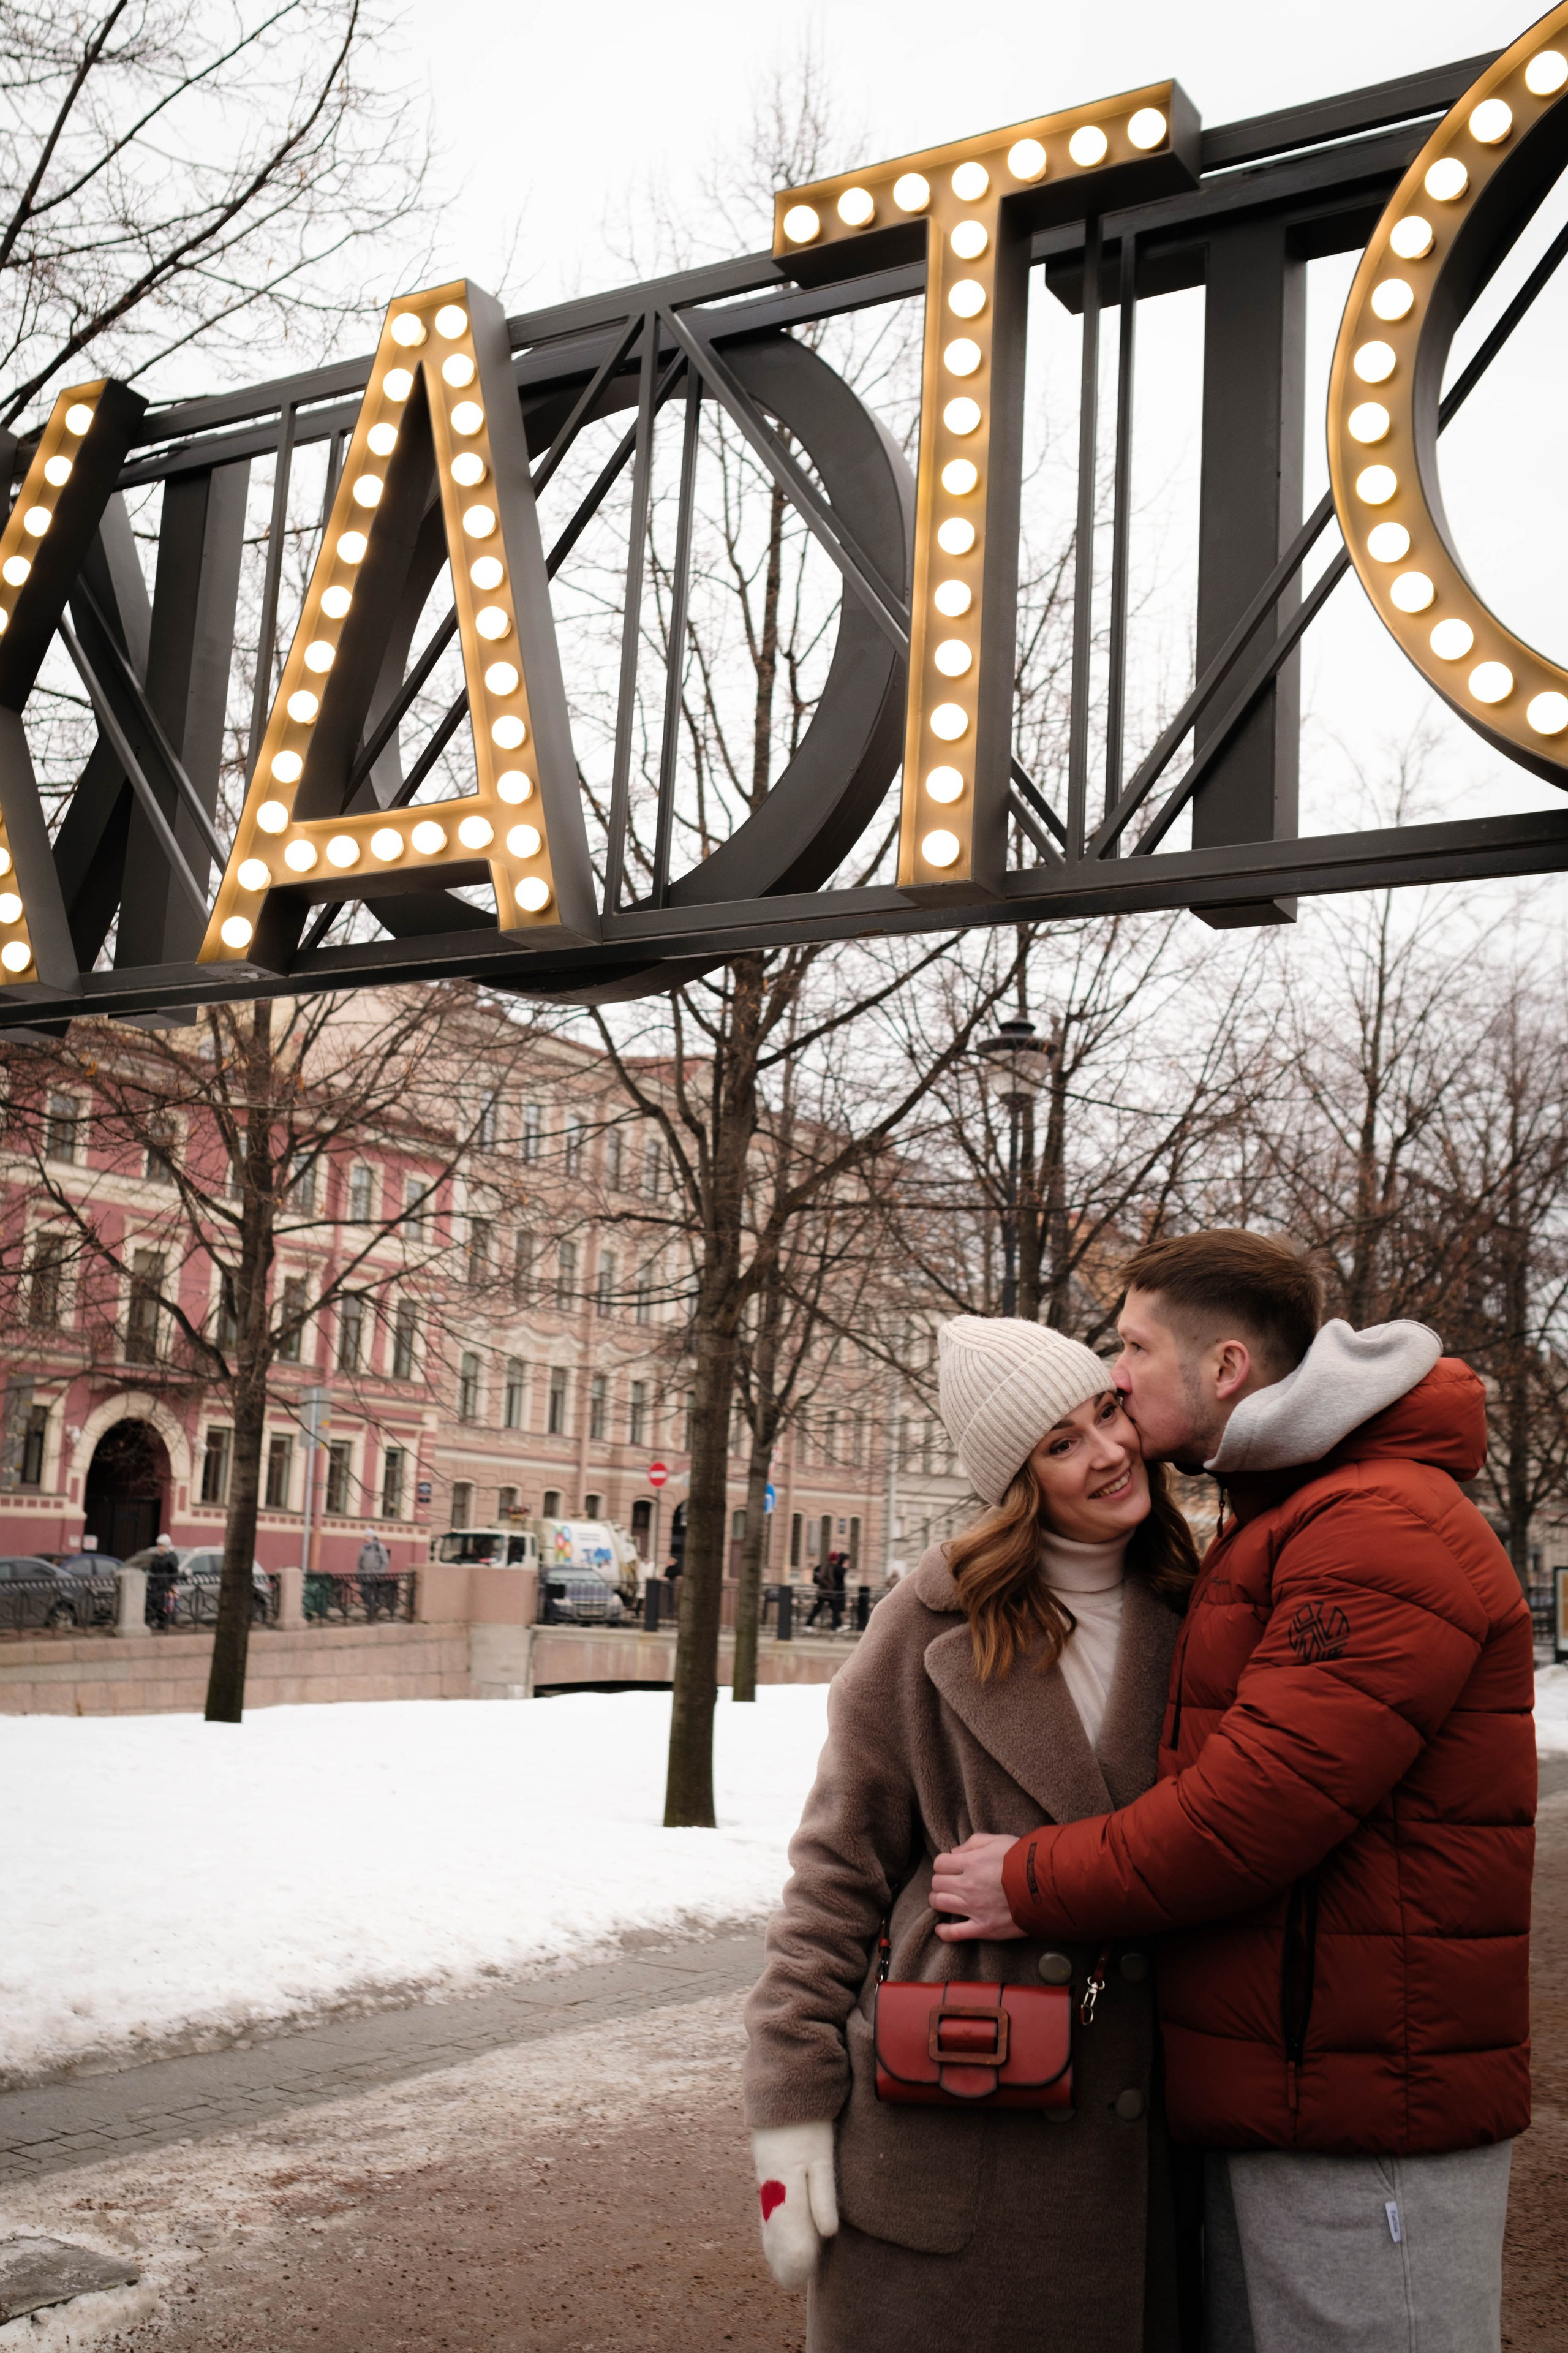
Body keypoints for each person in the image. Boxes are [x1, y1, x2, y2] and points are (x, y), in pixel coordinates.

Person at [929, 1231, 1535, 2353]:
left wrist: (1034, 1881)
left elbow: (1248, 1812)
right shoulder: (1300, 1513)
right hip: (1305, 2080)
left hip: (1361, 2107)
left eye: (1134, 1345)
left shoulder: (1374, 1527)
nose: (1114, 1374)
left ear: (1224, 1371)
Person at [744, 1318, 1201, 2352]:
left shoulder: (1199, 1609)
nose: (1109, 1451)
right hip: (949, 2108)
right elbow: (835, 1874)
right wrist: (788, 2103)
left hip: (1138, 2126)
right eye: (1062, 1443)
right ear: (1020, 1478)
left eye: (1109, 1412)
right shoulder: (929, 1623)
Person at [144, 1532, 178, 1631]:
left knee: (163, 1604)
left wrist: (172, 1584)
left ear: (166, 1545)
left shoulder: (172, 1557)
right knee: (152, 1602)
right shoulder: (157, 1556)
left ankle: (163, 1623)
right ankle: (151, 1621)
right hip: (155, 1584)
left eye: (161, 1545)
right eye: (158, 1545)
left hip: (165, 1585)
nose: (159, 1547)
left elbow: (174, 1571)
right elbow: (152, 1568)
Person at [356, 1530, 393, 1619]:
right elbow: (360, 1562)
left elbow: (385, 1562)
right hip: (365, 1575)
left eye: (367, 1537)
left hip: (375, 1576)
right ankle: (373, 1607)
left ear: (371, 1537)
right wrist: (358, 1574)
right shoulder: (364, 1548)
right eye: (365, 1537)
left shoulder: (380, 1547)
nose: (365, 1539)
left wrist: (380, 1573)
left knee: (374, 1593)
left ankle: (372, 1611)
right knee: (363, 1593)